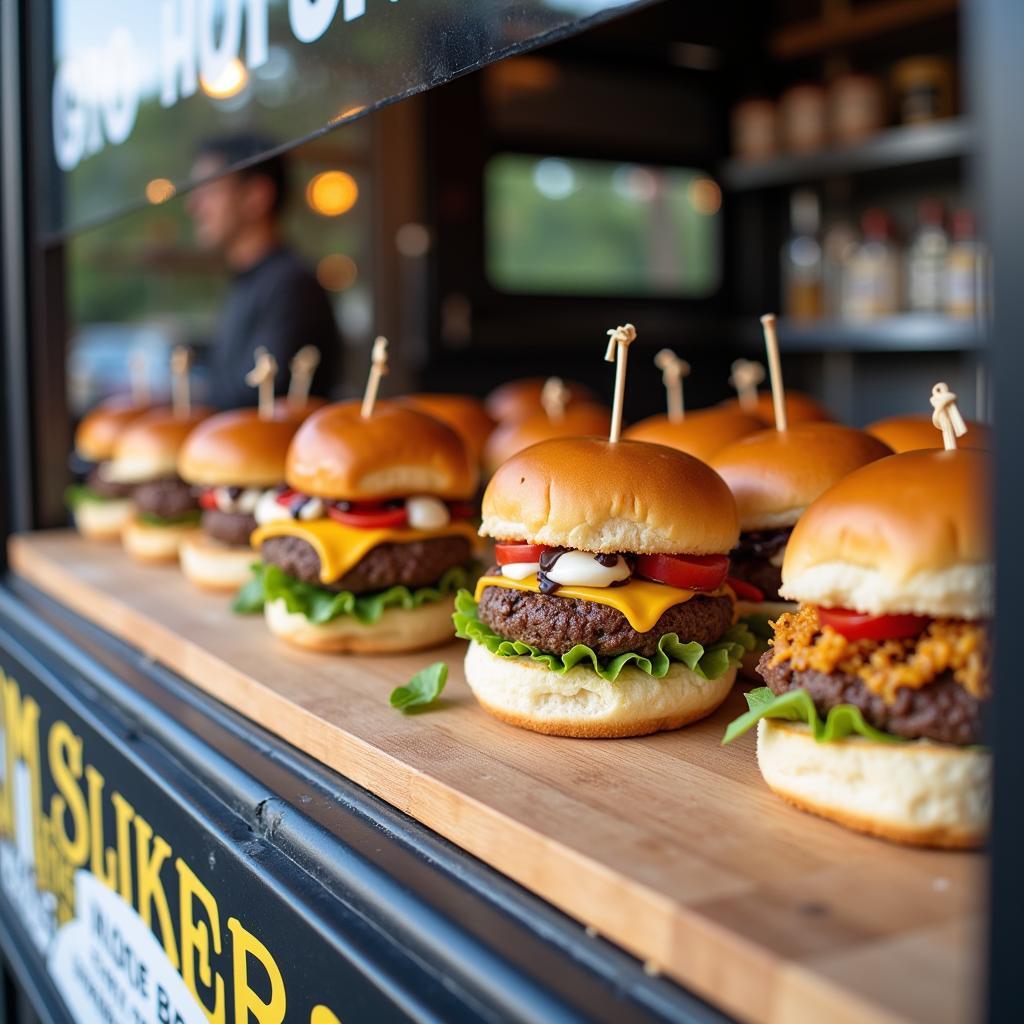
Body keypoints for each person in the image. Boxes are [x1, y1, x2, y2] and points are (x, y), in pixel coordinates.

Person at [186, 135, 340, 408]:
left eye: (209, 190)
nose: (194, 206)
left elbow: (257, 402)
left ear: (257, 196)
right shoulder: (249, 281)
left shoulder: (291, 286)